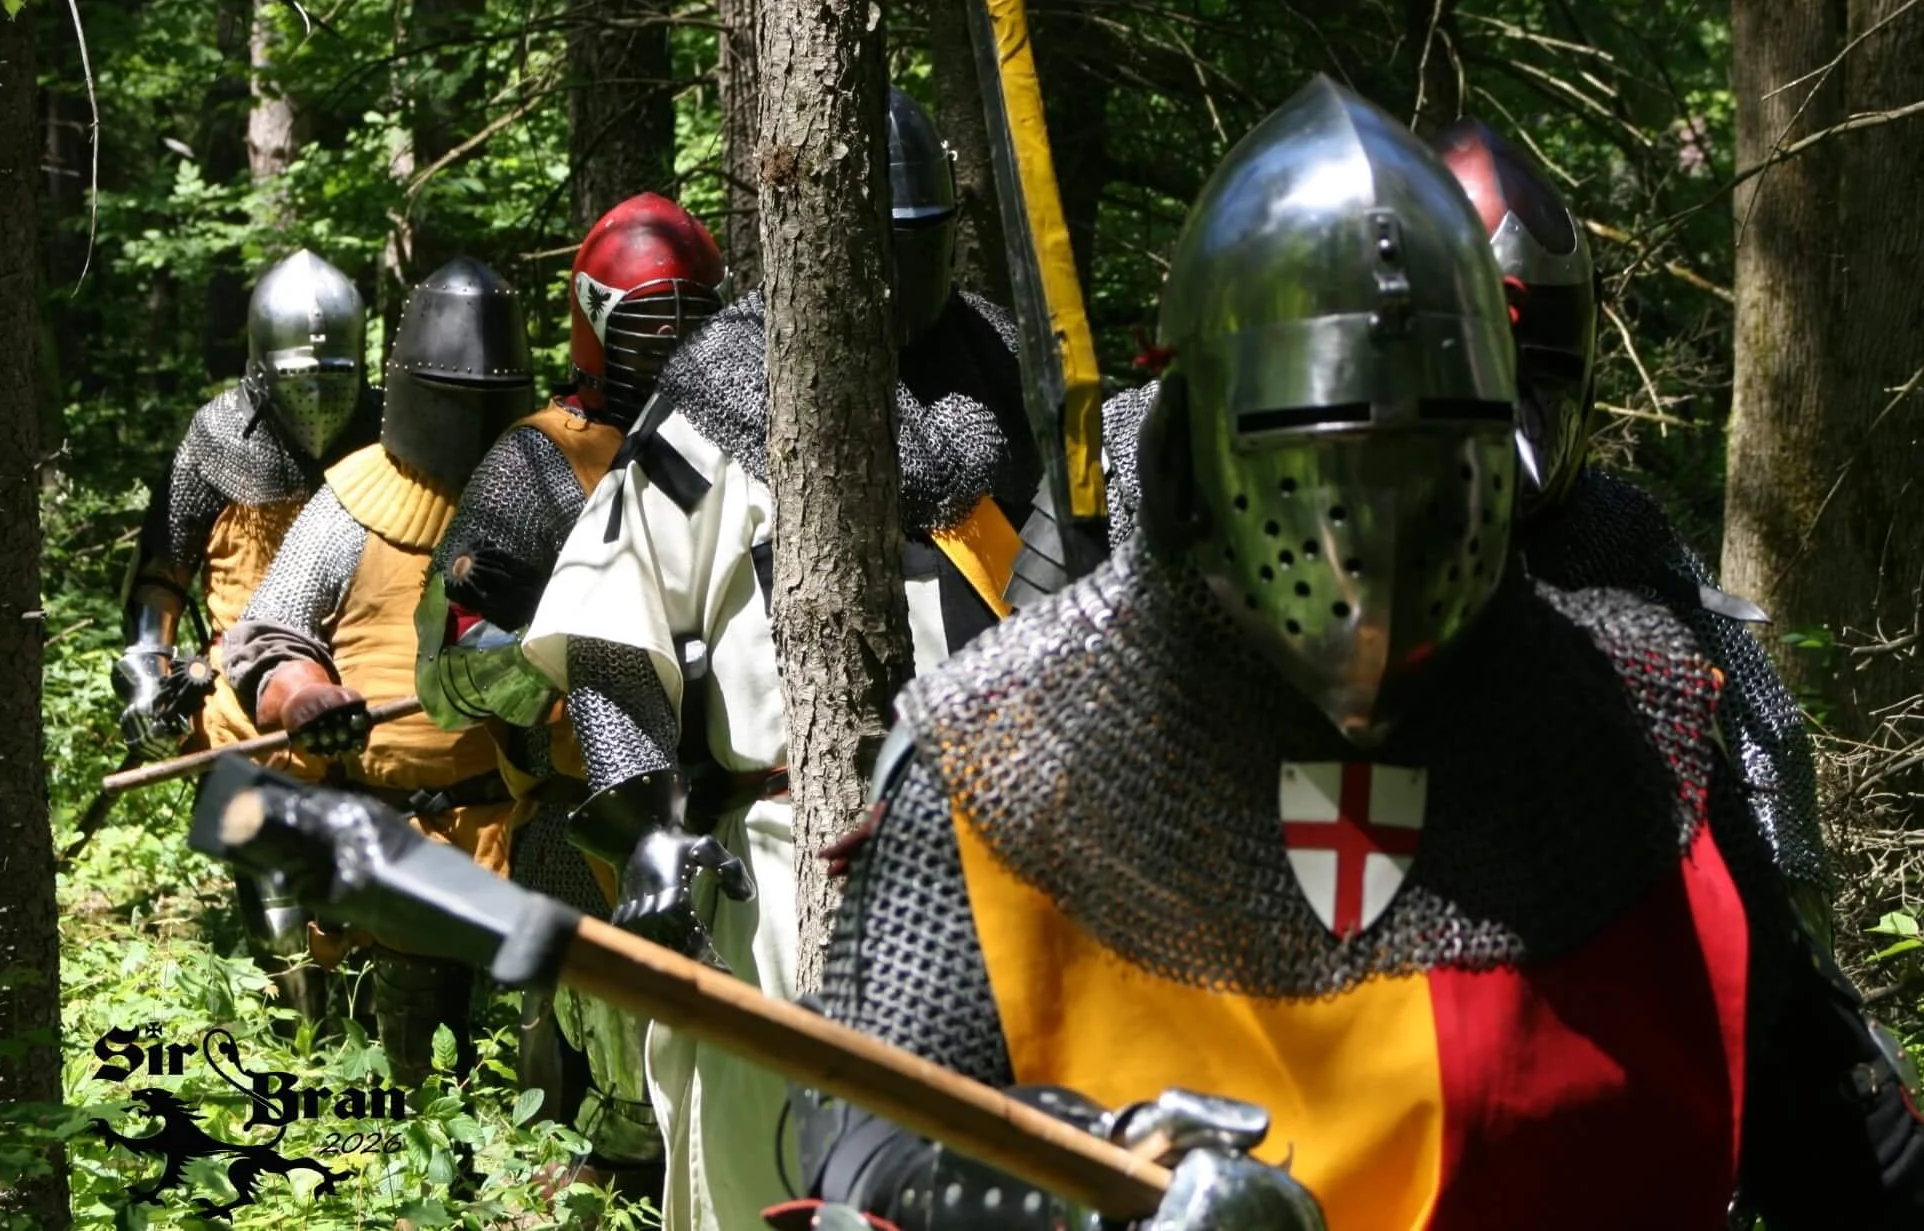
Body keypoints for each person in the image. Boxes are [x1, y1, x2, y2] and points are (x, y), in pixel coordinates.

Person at [787, 77, 1924, 1231]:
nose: (1368, 531)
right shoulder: (1005, 749)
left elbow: (1835, 1127)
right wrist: (1071, 1189)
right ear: (1202, 452)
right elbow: (860, 1139)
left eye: (1424, 459)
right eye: (1315, 458)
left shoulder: (1630, 724)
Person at [517, 88, 1038, 1231]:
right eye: (876, 249)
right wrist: (649, 823)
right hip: (775, 860)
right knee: (768, 1186)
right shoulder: (714, 397)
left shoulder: (1014, 379)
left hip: (1006, 864)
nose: (896, 279)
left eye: (919, 246)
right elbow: (612, 630)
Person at [1433, 117, 1832, 935]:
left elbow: (1767, 735)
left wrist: (1803, 956)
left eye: (1532, 369)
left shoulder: (1612, 528)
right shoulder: (1299, 526)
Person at [412, 193, 730, 1189]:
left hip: (737, 807)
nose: (670, 341)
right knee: (606, 1125)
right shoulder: (537, 460)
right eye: (648, 320)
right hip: (586, 828)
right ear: (595, 320)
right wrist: (545, 649)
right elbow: (445, 672)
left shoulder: (755, 436)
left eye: (690, 317)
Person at [223, 256, 537, 1086]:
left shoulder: (546, 494)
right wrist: (301, 694)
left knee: (542, 1080)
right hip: (397, 843)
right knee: (418, 1097)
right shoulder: (348, 507)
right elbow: (267, 639)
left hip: (529, 836)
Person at [114, 248, 375, 1024]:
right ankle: (305, 1031)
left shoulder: (389, 426)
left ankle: (380, 1017)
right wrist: (144, 666)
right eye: (304, 377)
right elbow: (164, 568)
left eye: (335, 376)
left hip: (363, 674)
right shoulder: (217, 437)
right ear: (264, 366)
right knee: (274, 865)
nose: (322, 399)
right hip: (239, 681)